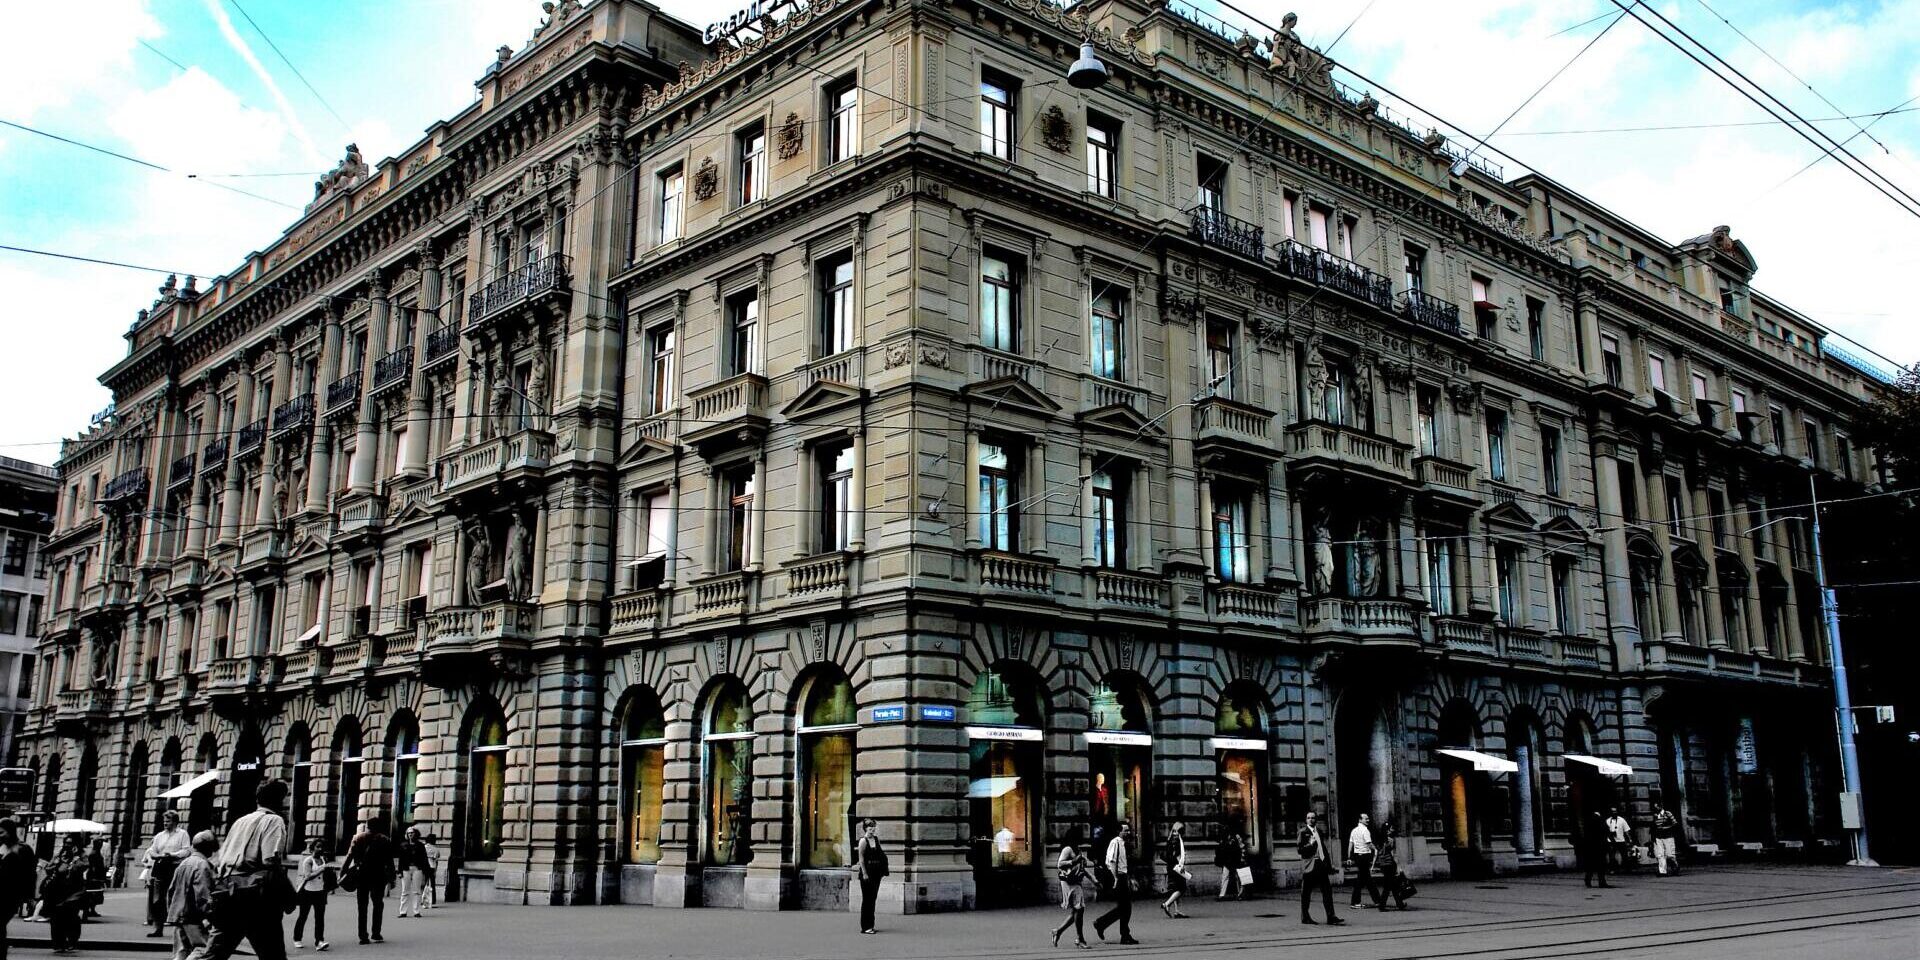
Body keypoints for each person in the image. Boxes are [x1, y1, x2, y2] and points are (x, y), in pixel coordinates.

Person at [204, 778, 292, 960]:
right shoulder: (274, 821)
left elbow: (221, 858)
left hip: (228, 893)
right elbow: (271, 861)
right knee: (273, 955)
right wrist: (288, 894)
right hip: (257, 899)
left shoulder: (240, 821)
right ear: (279, 800)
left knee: (214, 954)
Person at [167, 831, 219, 960]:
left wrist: (172, 910)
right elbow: (202, 895)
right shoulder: (203, 865)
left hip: (179, 914)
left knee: (182, 951)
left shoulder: (183, 863)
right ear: (209, 848)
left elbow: (171, 890)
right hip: (193, 916)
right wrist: (209, 915)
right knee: (202, 949)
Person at [342, 818, 395, 945]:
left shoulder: (358, 838)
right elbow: (389, 861)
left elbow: (349, 856)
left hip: (362, 875)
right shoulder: (385, 840)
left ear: (367, 826)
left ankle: (363, 936)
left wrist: (343, 872)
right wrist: (392, 878)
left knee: (362, 905)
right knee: (378, 904)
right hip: (378, 875)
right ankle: (376, 933)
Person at [143, 811, 192, 938]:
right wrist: (159, 856)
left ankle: (180, 930)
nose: (165, 823)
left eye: (168, 821)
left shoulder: (182, 834)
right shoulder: (159, 836)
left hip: (175, 867)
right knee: (157, 899)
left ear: (175, 822)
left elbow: (186, 851)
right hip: (160, 867)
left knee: (176, 897)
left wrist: (172, 855)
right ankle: (158, 928)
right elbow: (152, 851)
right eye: (164, 821)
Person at [1091, 821, 1138, 944]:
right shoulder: (1115, 842)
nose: (1128, 832)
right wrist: (1116, 878)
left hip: (1122, 876)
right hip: (1118, 877)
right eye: (1125, 830)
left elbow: (1123, 863)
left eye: (1128, 830)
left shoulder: (1123, 844)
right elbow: (1112, 861)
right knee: (1125, 907)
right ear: (1119, 831)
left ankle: (1101, 924)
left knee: (1124, 908)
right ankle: (1123, 935)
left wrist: (1129, 878)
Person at [41, 835, 89, 955]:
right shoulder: (59, 854)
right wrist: (56, 864)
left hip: (74, 891)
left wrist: (75, 860)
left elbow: (84, 866)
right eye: (66, 843)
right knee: (56, 918)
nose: (67, 845)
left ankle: (72, 941)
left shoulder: (81, 856)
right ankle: (58, 943)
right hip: (58, 891)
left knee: (71, 917)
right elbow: (48, 868)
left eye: (70, 843)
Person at [0, 818, 40, 960]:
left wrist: (30, 896)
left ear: (10, 832)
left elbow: (30, 874)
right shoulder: (5, 848)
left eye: (2, 832)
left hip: (10, 896)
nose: (0, 836)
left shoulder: (22, 849)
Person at [1296, 811, 1344, 926]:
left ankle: (1331, 916)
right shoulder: (1303, 832)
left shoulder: (1319, 832)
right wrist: (1311, 844)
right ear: (1306, 820)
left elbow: (1323, 849)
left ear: (1316, 820)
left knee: (1327, 891)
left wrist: (1328, 864)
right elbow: (1300, 850)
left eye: (1313, 818)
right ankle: (1305, 917)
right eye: (1308, 818)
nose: (1311, 820)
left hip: (1321, 865)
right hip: (1310, 865)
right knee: (1306, 893)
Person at [1051, 829, 1092, 949]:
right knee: (1079, 909)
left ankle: (1058, 932)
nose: (1081, 840)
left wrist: (1093, 880)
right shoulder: (1067, 849)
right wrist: (1074, 861)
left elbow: (1082, 868)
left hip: (1075, 881)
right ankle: (1080, 939)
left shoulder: (1077, 849)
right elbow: (1060, 864)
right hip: (1069, 882)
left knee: (1077, 911)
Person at [292, 838, 332, 951]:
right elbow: (308, 876)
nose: (320, 849)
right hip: (307, 892)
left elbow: (325, 875)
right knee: (303, 916)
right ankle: (297, 939)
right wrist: (322, 869)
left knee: (320, 918)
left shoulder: (324, 859)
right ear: (313, 848)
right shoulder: (308, 861)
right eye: (318, 846)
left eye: (322, 847)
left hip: (320, 892)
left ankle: (319, 941)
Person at [854, 818, 888, 935]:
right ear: (865, 828)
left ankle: (871, 925)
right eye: (870, 827)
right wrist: (864, 873)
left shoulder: (876, 840)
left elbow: (880, 854)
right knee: (867, 899)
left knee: (873, 899)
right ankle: (866, 926)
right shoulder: (863, 841)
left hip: (876, 873)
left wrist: (882, 869)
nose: (872, 829)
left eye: (873, 826)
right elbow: (861, 859)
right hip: (867, 873)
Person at [1372, 819, 1412, 910]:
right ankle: (1382, 906)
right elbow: (1393, 855)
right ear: (1388, 830)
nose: (1393, 830)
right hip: (1390, 864)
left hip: (1383, 864)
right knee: (1388, 886)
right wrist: (1399, 866)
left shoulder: (1379, 840)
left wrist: (1374, 865)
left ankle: (1399, 904)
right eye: (1391, 828)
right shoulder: (1390, 840)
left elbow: (1376, 852)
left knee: (1392, 885)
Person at [1347, 813, 1383, 909]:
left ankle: (1377, 901)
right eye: (1366, 819)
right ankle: (1356, 902)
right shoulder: (1365, 830)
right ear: (1360, 820)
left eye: (1368, 819)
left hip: (1358, 857)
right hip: (1364, 857)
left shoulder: (1353, 831)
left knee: (1366, 879)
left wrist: (1349, 857)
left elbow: (1350, 845)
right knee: (1364, 880)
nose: (1368, 820)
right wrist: (1375, 849)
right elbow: (1369, 843)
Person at [397, 827, 431, 919]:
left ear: (415, 834)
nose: (410, 834)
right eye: (408, 833)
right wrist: (399, 871)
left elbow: (424, 859)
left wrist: (426, 871)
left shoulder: (420, 845)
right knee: (405, 891)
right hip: (405, 869)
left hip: (417, 869)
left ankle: (416, 911)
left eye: (412, 833)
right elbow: (401, 860)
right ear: (406, 834)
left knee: (417, 891)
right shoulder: (403, 845)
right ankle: (403, 911)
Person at [1159, 821, 1189, 919]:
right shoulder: (1177, 840)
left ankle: (1177, 911)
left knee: (1176, 888)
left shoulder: (1170, 838)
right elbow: (1177, 855)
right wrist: (1182, 865)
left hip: (1170, 867)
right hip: (1176, 867)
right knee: (1181, 888)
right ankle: (1167, 904)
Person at [1579, 808, 1612, 889]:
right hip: (1600, 847)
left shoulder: (1587, 822)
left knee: (1590, 865)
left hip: (1590, 848)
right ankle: (1602, 882)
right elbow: (1607, 832)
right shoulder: (1601, 821)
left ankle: (1588, 880)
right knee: (1601, 866)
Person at [1650, 803, 1681, 877]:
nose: (1656, 809)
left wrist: (1666, 828)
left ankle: (1675, 867)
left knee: (1670, 854)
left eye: (1657, 807)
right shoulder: (1655, 816)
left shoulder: (1667, 814)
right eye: (1655, 808)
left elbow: (1675, 824)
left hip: (1668, 836)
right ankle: (1663, 871)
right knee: (1660, 854)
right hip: (1659, 837)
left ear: (1660, 807)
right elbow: (1653, 827)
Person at [1215, 831, 1246, 902]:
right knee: (1226, 877)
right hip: (1230, 862)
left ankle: (1239, 894)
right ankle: (1222, 895)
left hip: (1235, 863)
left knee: (1237, 878)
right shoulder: (1227, 843)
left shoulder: (1235, 843)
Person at [1605, 808, 1633, 873]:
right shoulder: (1608, 820)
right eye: (1612, 812)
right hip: (1611, 841)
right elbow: (1605, 831)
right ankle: (1612, 869)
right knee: (1611, 856)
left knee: (1624, 855)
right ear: (1610, 812)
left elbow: (1626, 830)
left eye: (1615, 811)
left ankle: (1627, 869)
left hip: (1621, 840)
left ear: (1617, 812)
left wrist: (1630, 839)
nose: (1614, 813)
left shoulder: (1622, 820)